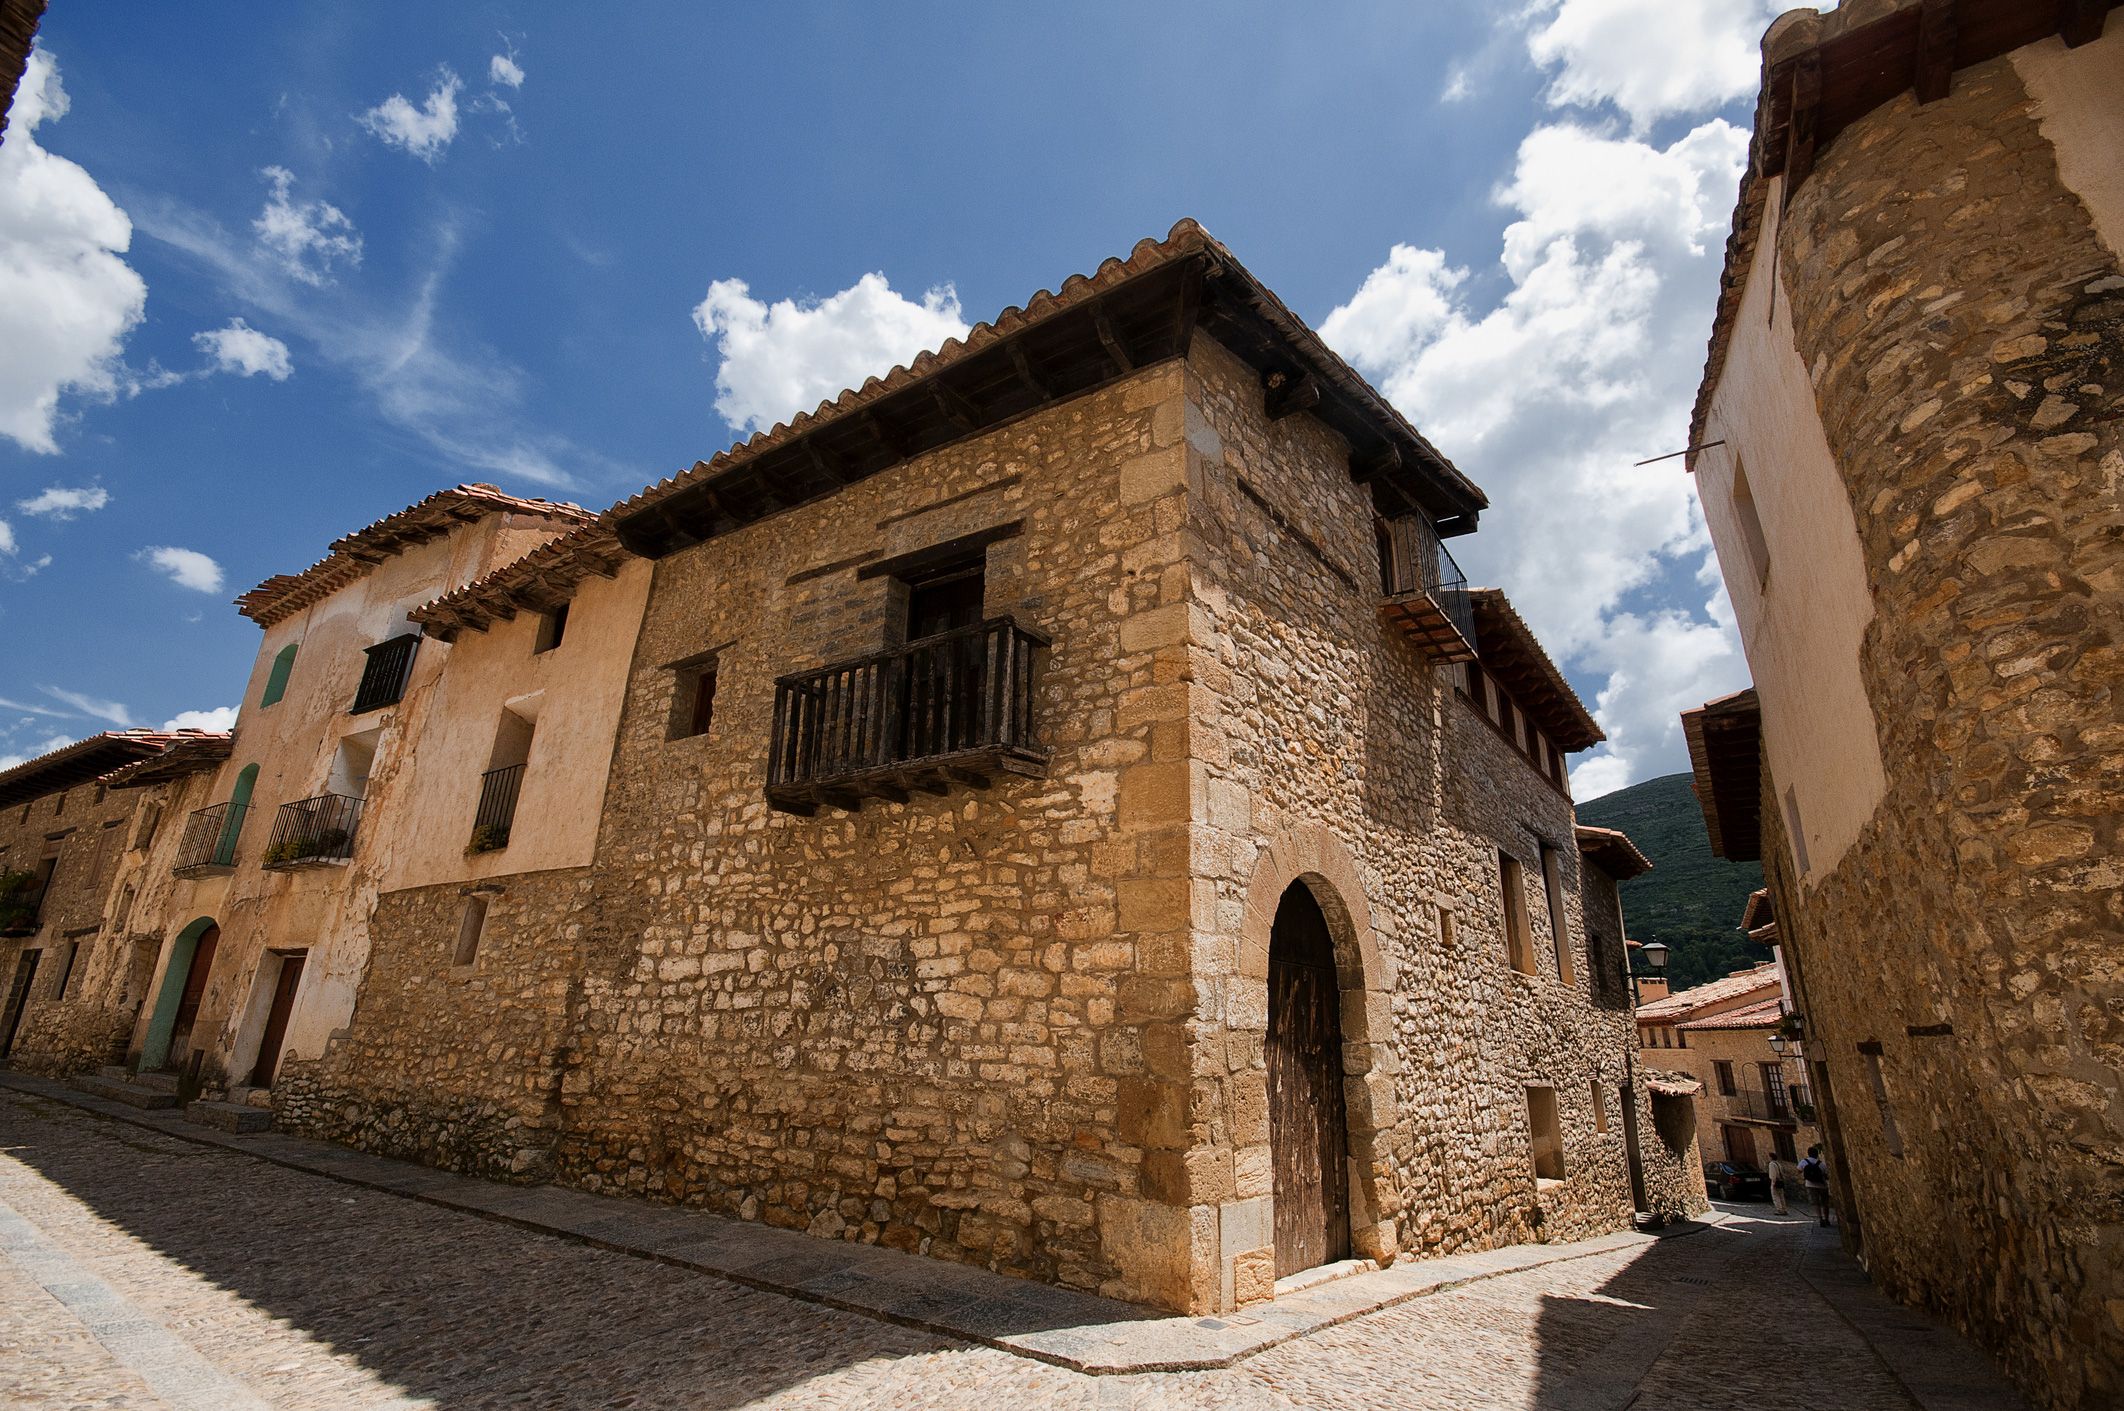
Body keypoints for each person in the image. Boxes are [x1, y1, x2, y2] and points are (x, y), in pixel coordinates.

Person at [1800, 1145, 1832, 1226]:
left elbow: (1798, 1171)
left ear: (1808, 1154)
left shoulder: (1804, 1162)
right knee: (1825, 1203)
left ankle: (1820, 1218)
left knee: (1816, 1203)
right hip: (1822, 1185)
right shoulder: (1821, 1164)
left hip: (1810, 1185)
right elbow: (1827, 1175)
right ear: (1817, 1154)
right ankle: (1827, 1219)